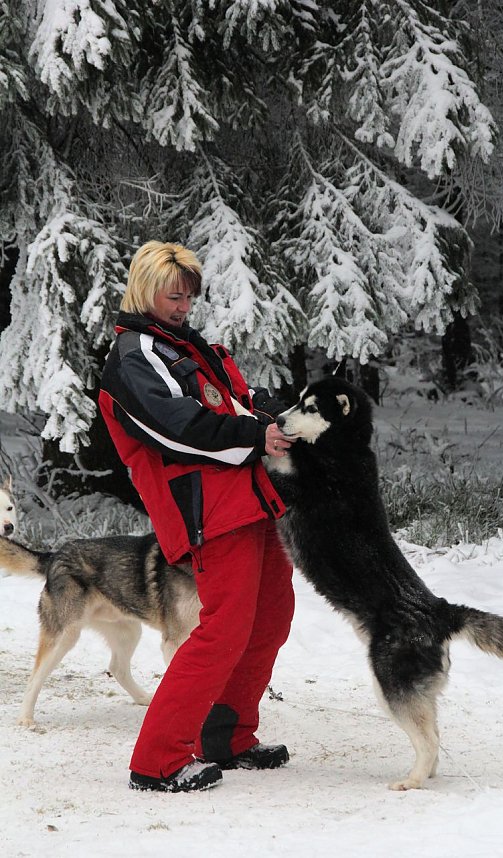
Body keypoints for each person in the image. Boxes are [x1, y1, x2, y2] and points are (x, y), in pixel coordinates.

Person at [99, 240, 295, 793]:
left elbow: (232, 402)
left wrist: (273, 414)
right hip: (208, 509)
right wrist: (255, 435)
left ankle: (226, 735)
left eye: (189, 297)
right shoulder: (135, 356)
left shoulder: (182, 345)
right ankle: (157, 760)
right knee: (224, 628)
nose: (184, 307)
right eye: (174, 296)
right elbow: (176, 429)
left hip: (249, 499)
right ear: (145, 289)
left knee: (272, 615)